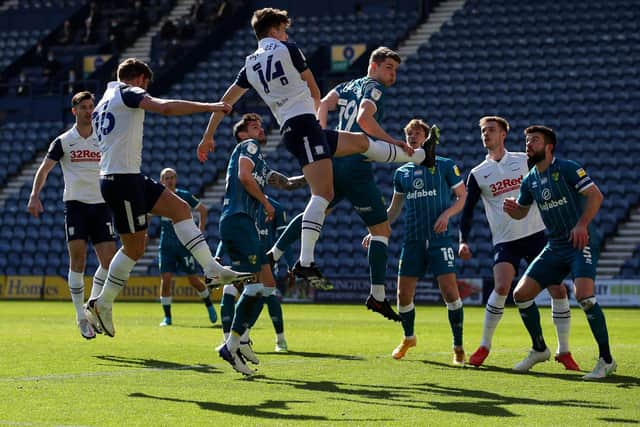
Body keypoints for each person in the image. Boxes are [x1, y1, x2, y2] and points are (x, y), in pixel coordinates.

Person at [198, 7, 438, 288]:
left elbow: (225, 102)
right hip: (304, 126)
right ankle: (305, 262)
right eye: (284, 29)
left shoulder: (249, 65)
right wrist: (315, 123)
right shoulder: (289, 49)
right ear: (275, 30)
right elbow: (314, 90)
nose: (287, 34)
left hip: (297, 129)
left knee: (360, 142)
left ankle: (422, 156)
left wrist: (208, 136)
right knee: (323, 193)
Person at [85, 58, 250, 338]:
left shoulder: (104, 100)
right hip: (120, 180)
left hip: (129, 177)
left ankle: (211, 269)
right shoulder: (127, 91)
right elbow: (165, 108)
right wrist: (211, 106)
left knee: (180, 208)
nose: (146, 90)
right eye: (146, 85)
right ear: (139, 79)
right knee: (135, 249)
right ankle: (102, 303)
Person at [269, 46, 408, 322]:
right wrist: (392, 142)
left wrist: (321, 132)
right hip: (355, 160)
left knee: (320, 207)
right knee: (381, 231)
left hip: (334, 156)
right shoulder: (374, 88)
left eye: (395, 69)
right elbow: (364, 119)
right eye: (389, 67)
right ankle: (378, 296)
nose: (393, 74)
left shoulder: (346, 85)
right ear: (374, 66)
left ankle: (274, 254)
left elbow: (323, 102)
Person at [458, 116, 578, 370]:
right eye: (482, 131)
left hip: (537, 234)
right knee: (501, 286)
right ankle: (484, 345)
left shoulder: (524, 161)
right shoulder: (478, 173)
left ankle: (564, 350)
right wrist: (463, 241)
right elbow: (467, 210)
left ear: (503, 134)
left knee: (558, 290)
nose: (485, 134)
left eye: (490, 130)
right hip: (505, 240)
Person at [503, 125, 615, 379]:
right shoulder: (530, 179)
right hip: (554, 246)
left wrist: (582, 224)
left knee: (585, 297)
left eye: (535, 140)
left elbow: (596, 196)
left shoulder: (567, 168)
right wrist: (514, 210)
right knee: (521, 294)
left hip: (579, 242)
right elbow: (522, 211)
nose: (529, 144)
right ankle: (539, 348)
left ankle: (606, 360)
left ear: (549, 147)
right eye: (527, 140)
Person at [367, 119, 467, 365]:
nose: (412, 137)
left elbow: (462, 197)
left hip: (439, 239)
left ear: (425, 138)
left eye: (417, 133)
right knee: (402, 295)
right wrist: (376, 230)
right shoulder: (402, 172)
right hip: (412, 240)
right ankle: (408, 337)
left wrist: (446, 215)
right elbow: (394, 208)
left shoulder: (444, 166)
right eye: (409, 133)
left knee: (450, 292)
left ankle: (458, 347)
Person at [216, 113, 305, 375]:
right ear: (242, 134)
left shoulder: (260, 162)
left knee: (266, 286)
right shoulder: (247, 147)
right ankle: (234, 343)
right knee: (255, 285)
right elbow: (245, 176)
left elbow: (287, 183)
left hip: (243, 225)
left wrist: (317, 173)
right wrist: (266, 203)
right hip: (239, 220)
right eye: (254, 127)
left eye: (261, 126)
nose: (261, 129)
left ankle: (239, 340)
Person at [27, 91, 117, 340]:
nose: (89, 111)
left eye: (92, 107)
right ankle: (80, 318)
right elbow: (44, 170)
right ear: (74, 111)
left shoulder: (104, 137)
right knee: (78, 261)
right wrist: (35, 195)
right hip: (76, 206)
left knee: (109, 264)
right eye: (84, 107)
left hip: (102, 205)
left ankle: (93, 304)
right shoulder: (64, 141)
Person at [156, 167, 218, 327]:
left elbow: (202, 210)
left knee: (193, 280)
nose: (169, 180)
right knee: (166, 279)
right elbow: (147, 216)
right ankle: (167, 317)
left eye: (172, 177)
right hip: (166, 245)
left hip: (184, 245)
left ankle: (209, 305)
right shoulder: (157, 197)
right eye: (166, 178)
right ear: (161, 181)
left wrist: (200, 230)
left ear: (176, 179)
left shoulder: (183, 196)